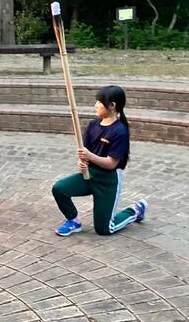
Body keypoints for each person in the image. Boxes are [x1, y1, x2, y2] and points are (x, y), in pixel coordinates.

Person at [52, 85, 147, 236]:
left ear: (112, 105)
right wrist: (82, 163)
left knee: (104, 229)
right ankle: (73, 221)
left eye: (99, 102)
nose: (95, 105)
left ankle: (135, 211)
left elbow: (111, 163)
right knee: (59, 188)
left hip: (107, 181)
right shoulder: (93, 125)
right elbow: (85, 152)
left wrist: (90, 156)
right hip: (89, 176)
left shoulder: (120, 131)